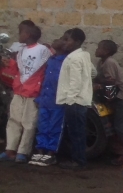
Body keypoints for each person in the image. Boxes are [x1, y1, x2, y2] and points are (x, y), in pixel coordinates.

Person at [1, 21, 51, 164]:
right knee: (14, 120)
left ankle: (23, 151)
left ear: (27, 34)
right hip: (19, 89)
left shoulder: (43, 50)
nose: (19, 35)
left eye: (21, 32)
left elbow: (44, 68)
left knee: (28, 123)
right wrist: (9, 63)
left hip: (33, 91)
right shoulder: (22, 51)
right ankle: (10, 149)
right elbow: (19, 68)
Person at [54, 27, 96, 170]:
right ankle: (79, 159)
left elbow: (75, 82)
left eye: (67, 40)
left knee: (76, 132)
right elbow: (93, 73)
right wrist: (86, 83)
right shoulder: (84, 55)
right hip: (81, 100)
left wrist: (70, 100)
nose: (64, 43)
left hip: (74, 101)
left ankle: (78, 161)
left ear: (77, 42)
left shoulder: (73, 58)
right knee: (78, 132)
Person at [94, 39, 123, 163]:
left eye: (99, 47)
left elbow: (111, 82)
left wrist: (108, 99)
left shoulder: (109, 62)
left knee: (121, 127)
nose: (96, 49)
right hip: (121, 97)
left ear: (106, 51)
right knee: (118, 126)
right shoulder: (101, 62)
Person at [29, 35, 70, 167]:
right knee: (42, 126)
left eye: (62, 39)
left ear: (65, 45)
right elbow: (44, 80)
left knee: (55, 127)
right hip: (45, 99)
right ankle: (40, 151)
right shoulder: (50, 60)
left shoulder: (67, 61)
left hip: (58, 101)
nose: (56, 40)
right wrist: (40, 97)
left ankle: (51, 154)